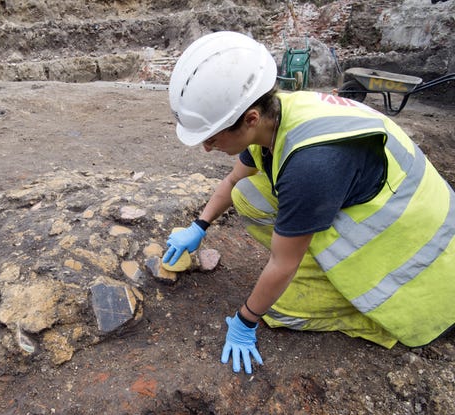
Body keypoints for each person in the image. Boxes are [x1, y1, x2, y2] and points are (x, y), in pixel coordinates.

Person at [163, 31, 455, 375]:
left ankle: (374, 314)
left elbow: (283, 264)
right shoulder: (278, 113)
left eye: (211, 138)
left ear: (250, 119)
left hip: (423, 273)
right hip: (379, 214)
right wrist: (199, 226)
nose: (207, 148)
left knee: (278, 309)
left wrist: (245, 320)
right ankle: (320, 264)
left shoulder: (311, 166)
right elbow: (232, 182)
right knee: (248, 194)